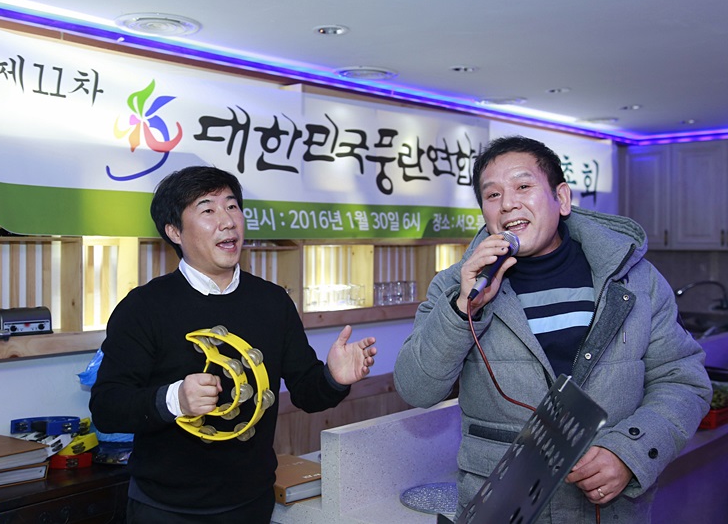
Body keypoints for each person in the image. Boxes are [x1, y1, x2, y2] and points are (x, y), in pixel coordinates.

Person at [393, 136, 711, 523]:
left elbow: (683, 381)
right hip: (500, 510)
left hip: (607, 511)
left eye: (523, 186)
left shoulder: (633, 279)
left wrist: (629, 453)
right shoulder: (455, 286)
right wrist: (464, 309)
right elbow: (416, 388)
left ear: (561, 198)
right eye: (492, 195)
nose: (507, 204)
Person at [90, 166, 377, 524]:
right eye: (208, 210)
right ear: (174, 231)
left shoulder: (272, 301)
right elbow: (107, 407)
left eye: (232, 206)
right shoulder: (144, 307)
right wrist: (175, 399)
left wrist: (334, 377)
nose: (227, 222)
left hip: (252, 502)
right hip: (165, 509)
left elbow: (307, 392)